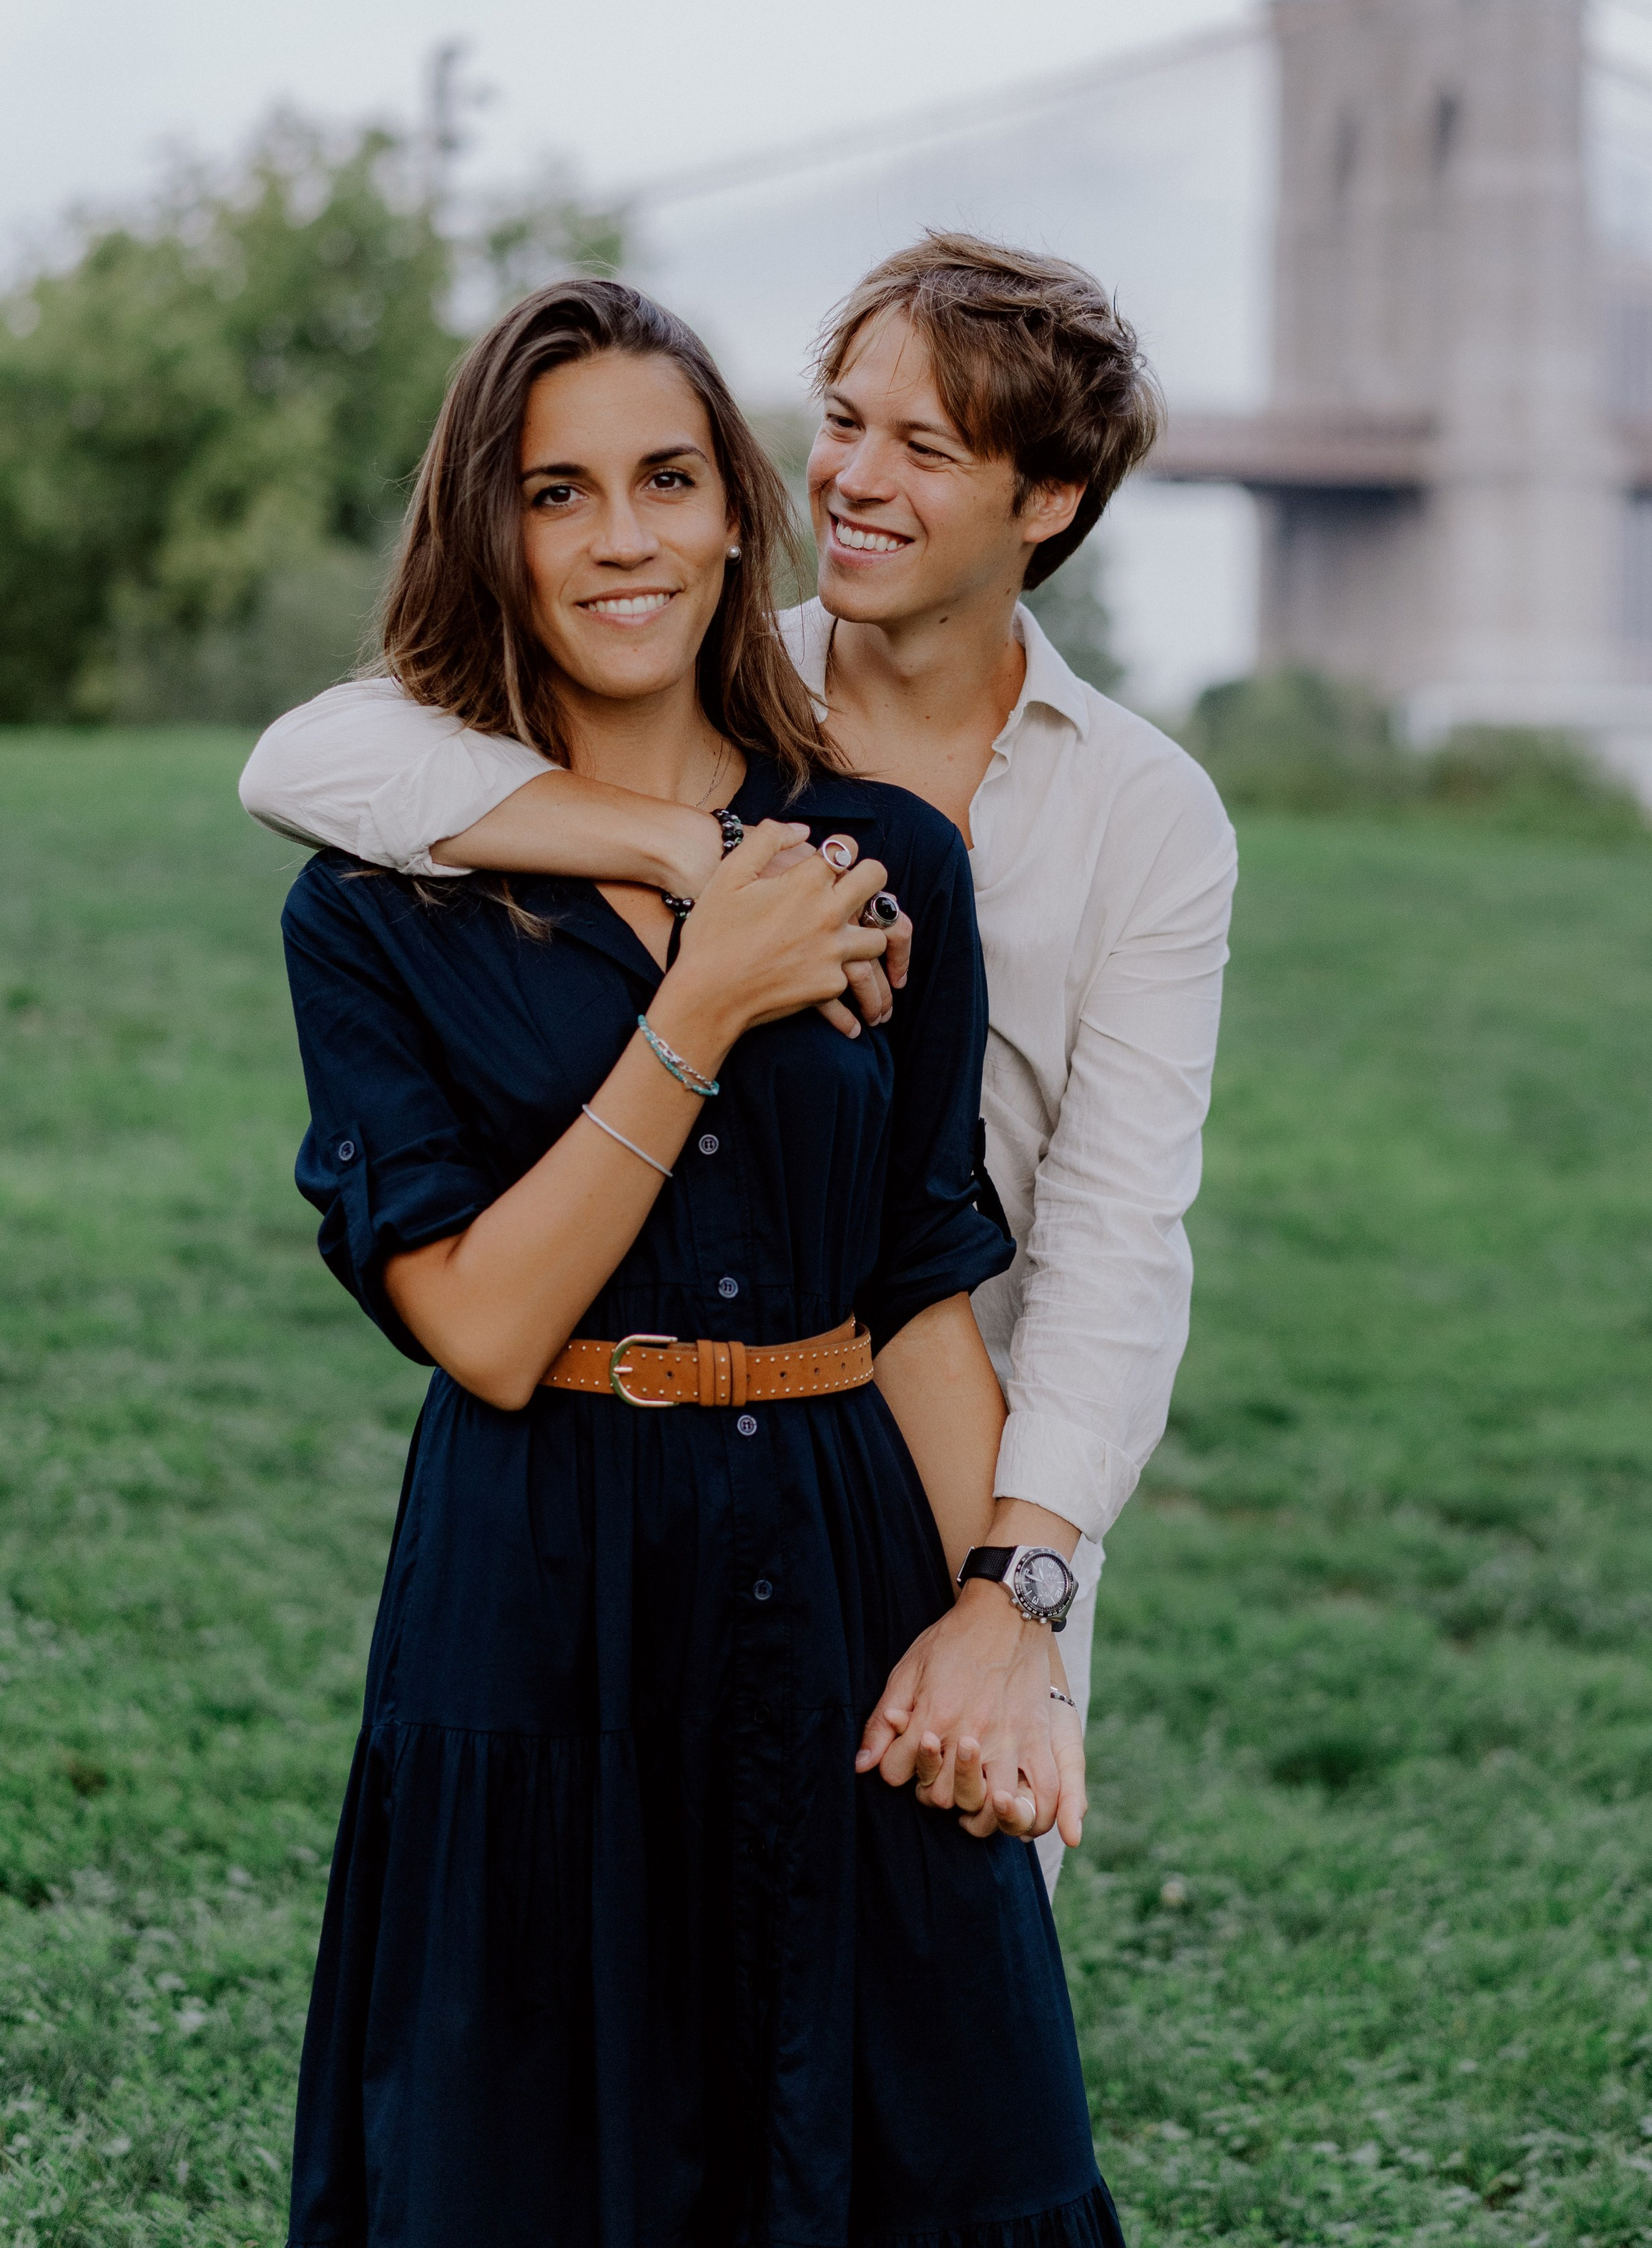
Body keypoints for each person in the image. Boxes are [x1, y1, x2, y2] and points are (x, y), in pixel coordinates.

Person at [277, 276, 1121, 2248]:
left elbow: (916, 1283)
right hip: (534, 1583)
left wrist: (1015, 1642)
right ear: (490, 531)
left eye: (666, 478)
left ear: (740, 512)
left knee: (949, 2141)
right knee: (543, 2166)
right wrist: (703, 998)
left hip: (838, 1564)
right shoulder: (373, 910)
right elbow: (482, 1324)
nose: (622, 537)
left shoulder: (891, 859)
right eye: (556, 494)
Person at [243, 232, 1239, 1887]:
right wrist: (699, 850)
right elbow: (311, 758)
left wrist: (1020, 1591)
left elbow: (1118, 1232)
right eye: (841, 420)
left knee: (941, 1975)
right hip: (655, 1434)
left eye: (924, 447)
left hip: (986, 1467)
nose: (851, 477)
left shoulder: (1147, 812)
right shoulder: (687, 671)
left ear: (1046, 502)